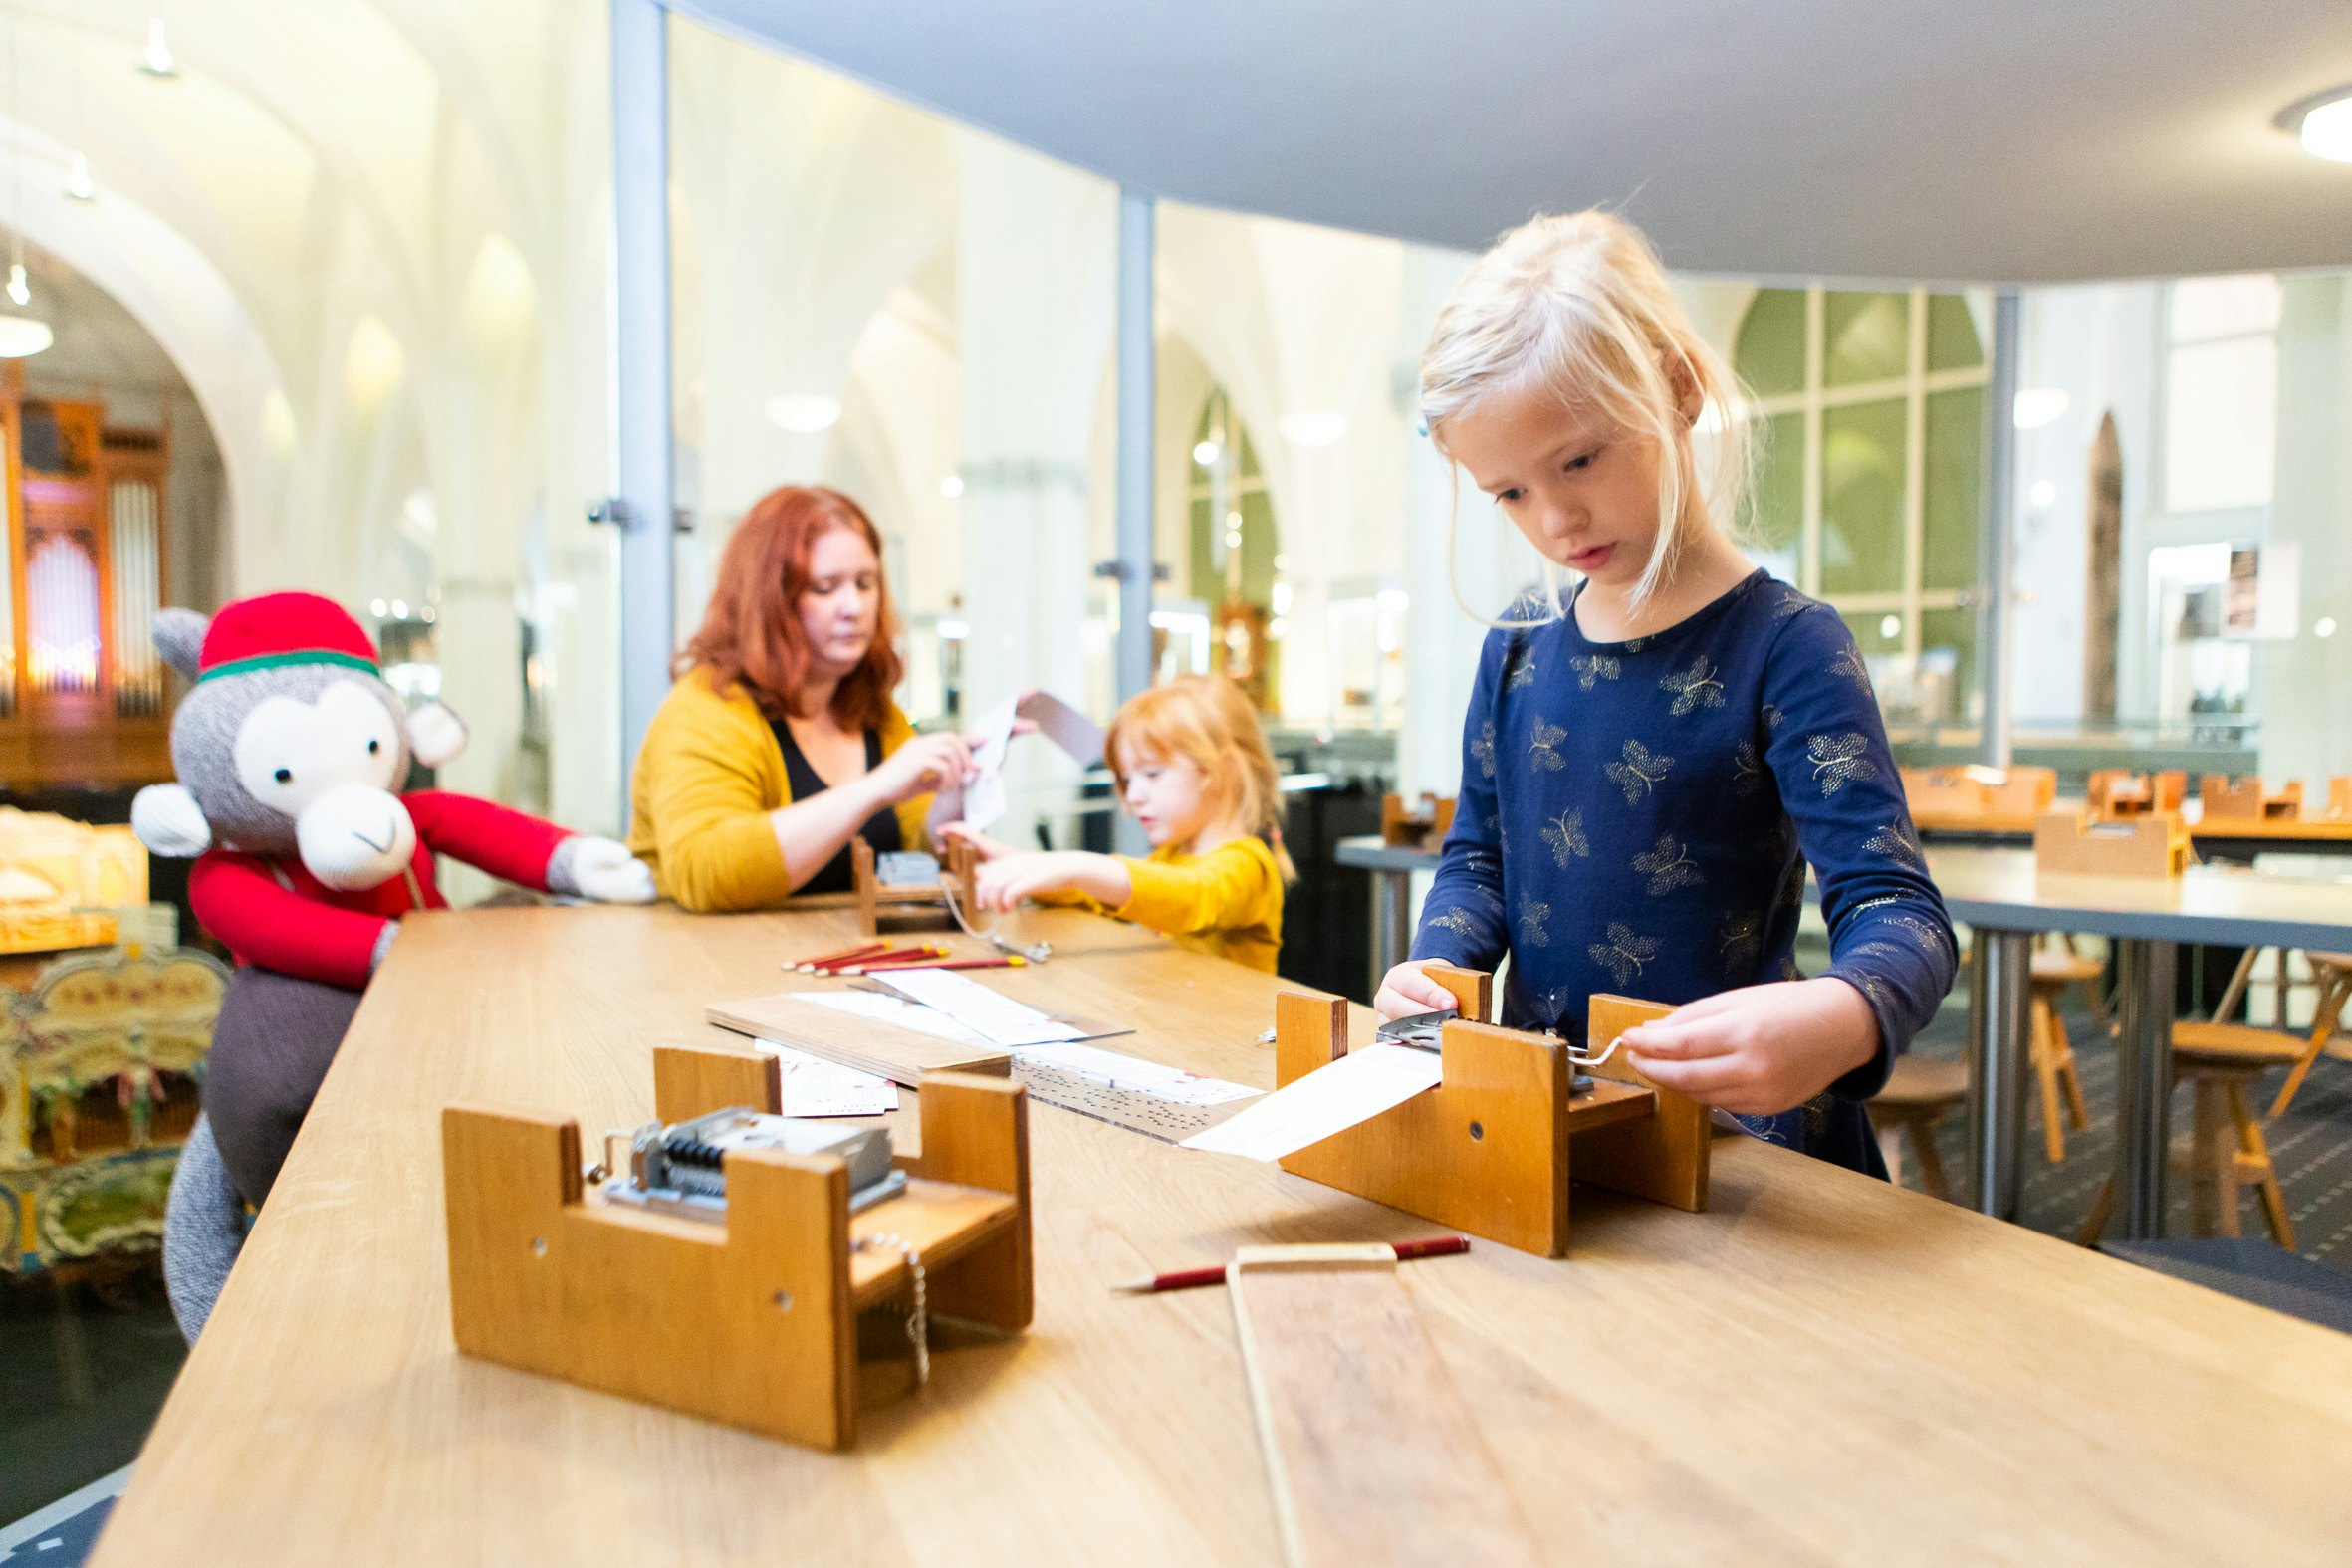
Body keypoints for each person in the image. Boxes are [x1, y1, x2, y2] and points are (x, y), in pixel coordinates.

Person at [1376, 210, 1956, 1173]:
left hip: (1739, 1144)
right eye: (1509, 492)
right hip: (1553, 1124)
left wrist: (1845, 1014)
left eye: (1580, 459)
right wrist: (1441, 965)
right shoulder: (1518, 646)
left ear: (1678, 390)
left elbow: (1899, 908)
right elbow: (1480, 860)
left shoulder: (1788, 645)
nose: (1556, 517)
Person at [628, 485, 975, 911]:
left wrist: (950, 804)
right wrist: (874, 790)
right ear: (769, 599)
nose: (855, 607)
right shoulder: (705, 706)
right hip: (712, 967)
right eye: (825, 588)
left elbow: (913, 854)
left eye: (865, 584)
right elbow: (706, 873)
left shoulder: (875, 714)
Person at [947, 674, 1292, 974]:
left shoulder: (1250, 865)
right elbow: (1100, 896)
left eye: (1152, 773)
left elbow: (1192, 897)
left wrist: (1076, 866)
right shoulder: (1171, 857)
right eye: (1128, 779)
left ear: (1220, 771)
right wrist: (1016, 861)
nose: (1133, 796)